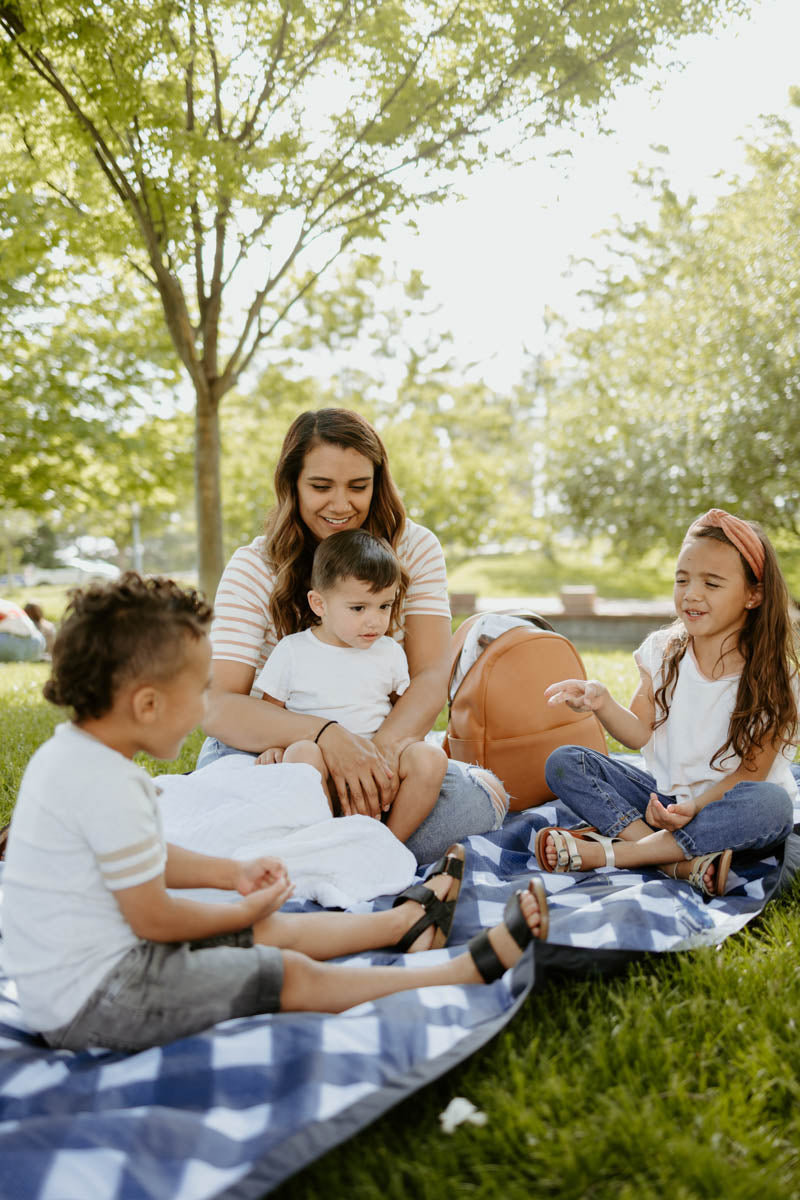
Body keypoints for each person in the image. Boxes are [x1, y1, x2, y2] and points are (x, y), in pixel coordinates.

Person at [2, 573, 549, 1054]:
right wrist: (237, 913)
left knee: (261, 929)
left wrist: (230, 875)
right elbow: (157, 920)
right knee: (281, 970)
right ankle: (460, 971)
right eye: (199, 692)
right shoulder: (108, 783)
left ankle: (404, 924)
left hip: (94, 967)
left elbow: (141, 856)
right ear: (147, 704)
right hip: (101, 999)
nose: (207, 709)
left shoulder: (74, 756)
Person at [198, 407, 509, 862]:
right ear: (292, 486)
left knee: (469, 805)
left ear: (378, 484)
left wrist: (370, 762)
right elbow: (218, 706)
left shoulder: (415, 548)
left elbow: (428, 678)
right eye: (321, 487)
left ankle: (349, 852)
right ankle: (341, 851)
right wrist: (328, 737)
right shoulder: (254, 566)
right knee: (239, 812)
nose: (341, 504)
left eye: (358, 487)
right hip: (271, 748)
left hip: (380, 737)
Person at [537, 509, 799, 898]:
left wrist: (694, 808)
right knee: (564, 763)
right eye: (682, 579)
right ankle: (674, 861)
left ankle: (621, 853)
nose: (691, 593)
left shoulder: (777, 674)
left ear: (753, 594)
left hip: (728, 807)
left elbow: (751, 773)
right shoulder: (663, 652)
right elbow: (636, 732)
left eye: (712, 583)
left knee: (772, 804)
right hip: (664, 804)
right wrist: (602, 702)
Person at [254, 528, 448, 844]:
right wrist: (275, 749)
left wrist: (403, 753)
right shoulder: (292, 651)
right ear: (319, 604)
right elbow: (269, 713)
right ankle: (325, 840)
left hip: (378, 767)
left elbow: (404, 710)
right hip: (323, 769)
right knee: (302, 753)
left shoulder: (389, 652)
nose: (374, 620)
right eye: (359, 608)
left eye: (384, 606)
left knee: (430, 758)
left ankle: (386, 844)